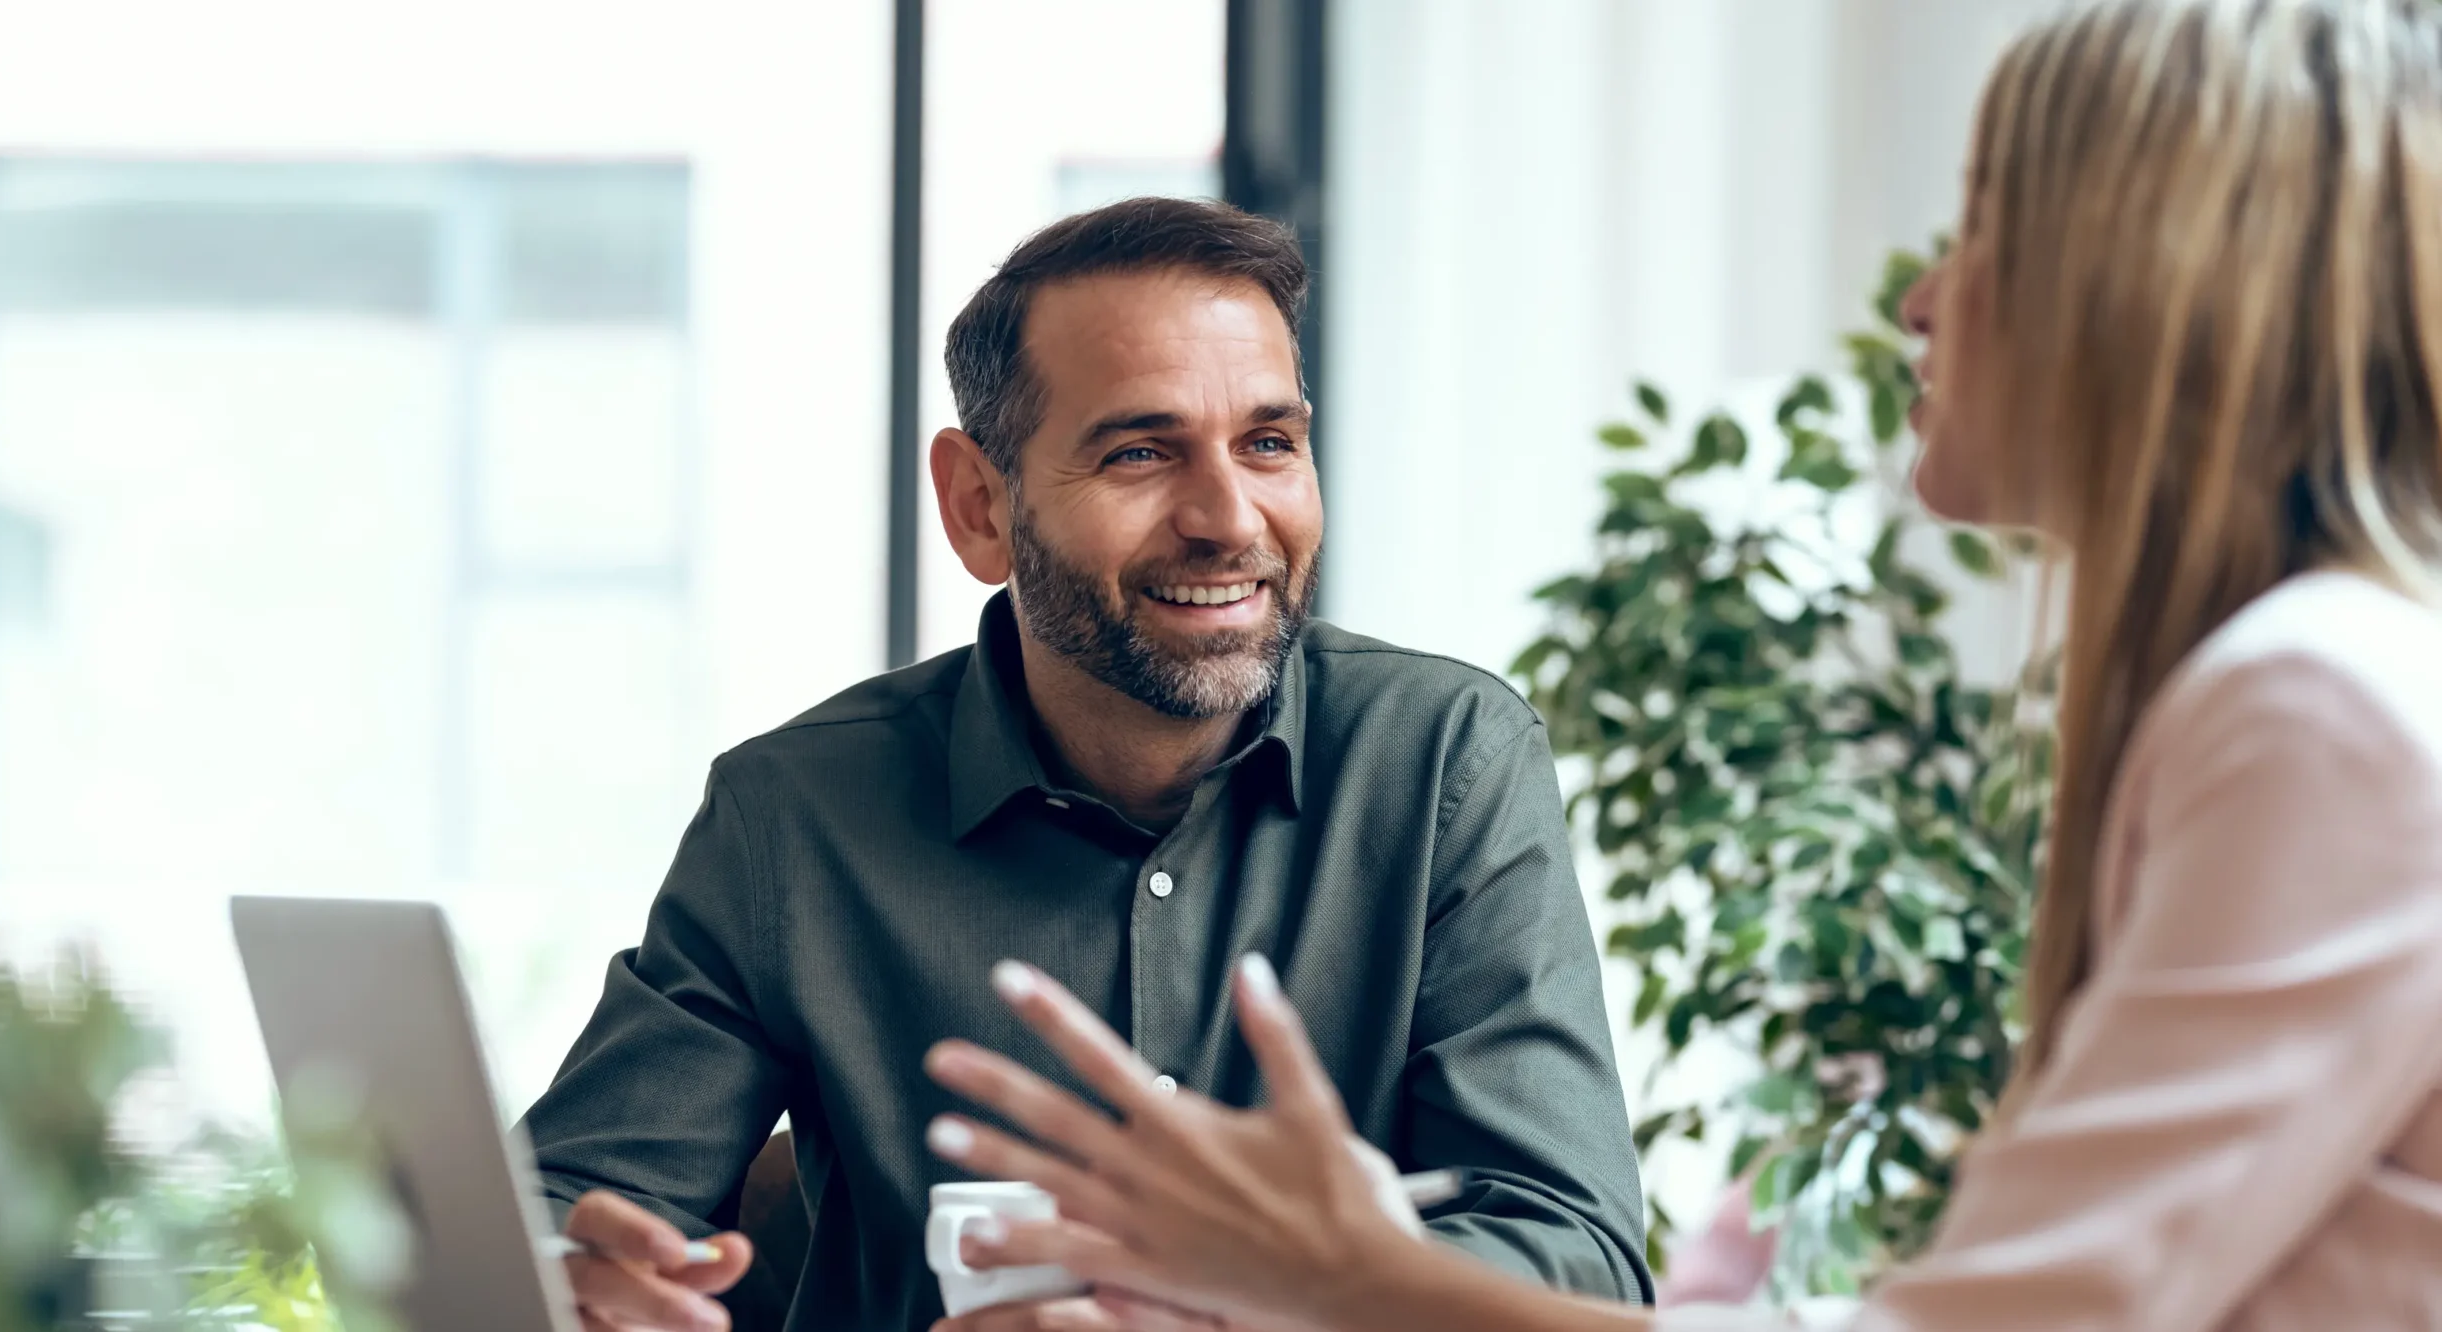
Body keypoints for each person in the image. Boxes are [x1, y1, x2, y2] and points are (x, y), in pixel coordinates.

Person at [916, 1, 2442, 1328]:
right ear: (981, 504)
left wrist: (1339, 1281)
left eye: (1983, 225)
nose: (1920, 297)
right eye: (1139, 451)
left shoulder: (2319, 709)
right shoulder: (2304, 689)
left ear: (2148, 281)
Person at [521, 195, 1652, 1332]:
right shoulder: (792, 814)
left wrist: (1282, 1296)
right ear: (979, 508)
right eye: (1140, 452)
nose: (1227, 518)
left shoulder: (1447, 761)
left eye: (1269, 443)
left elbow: (1574, 1250)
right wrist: (572, 1270)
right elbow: (561, 1206)